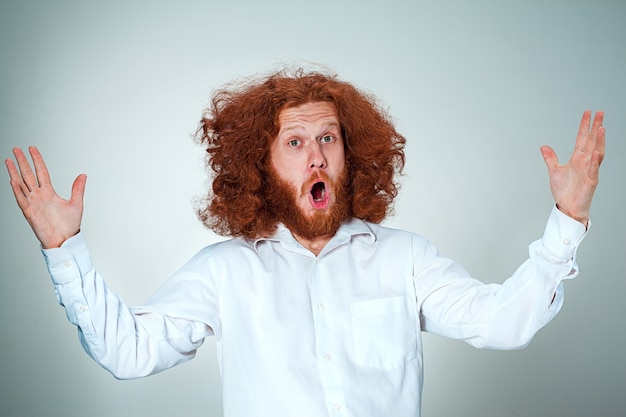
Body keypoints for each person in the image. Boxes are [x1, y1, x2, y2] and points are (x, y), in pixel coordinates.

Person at [5, 68, 605, 417]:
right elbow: (127, 352)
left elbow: (504, 323)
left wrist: (567, 219)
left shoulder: (405, 259)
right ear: (260, 165)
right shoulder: (226, 272)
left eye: (328, 138)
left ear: (350, 153)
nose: (316, 154)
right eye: (295, 143)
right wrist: (65, 249)